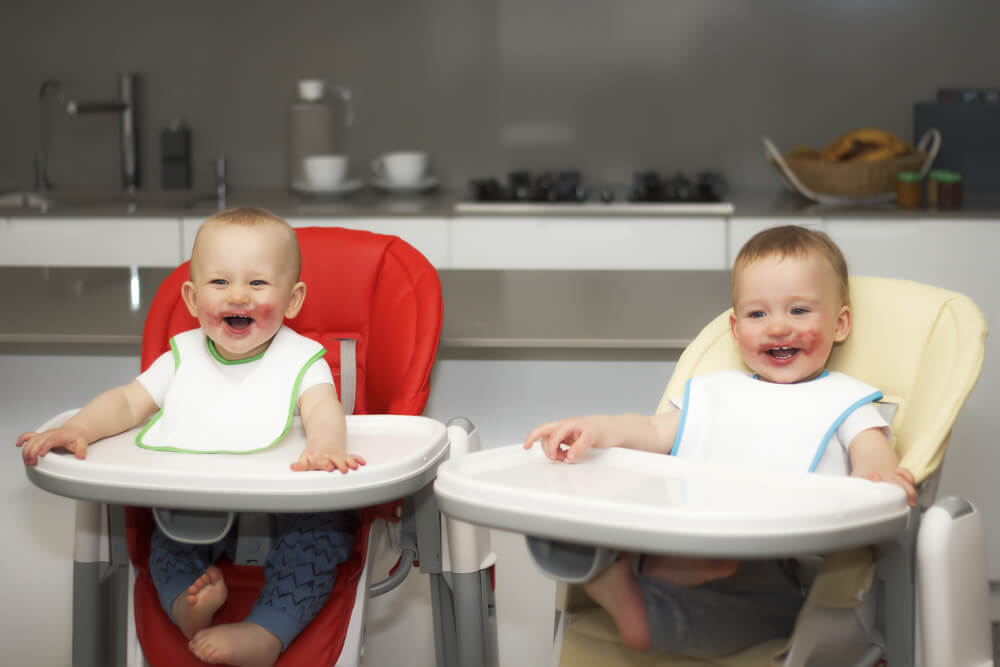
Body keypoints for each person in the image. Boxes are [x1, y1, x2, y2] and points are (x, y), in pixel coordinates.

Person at [523, 225, 917, 657]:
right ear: (734, 328)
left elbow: (872, 451)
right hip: (690, 538)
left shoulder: (845, 399)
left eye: (799, 310)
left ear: (840, 323)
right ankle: (614, 566)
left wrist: (878, 477)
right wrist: (597, 429)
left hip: (782, 567)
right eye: (758, 315)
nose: (778, 328)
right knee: (606, 495)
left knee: (778, 612)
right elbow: (653, 431)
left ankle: (641, 605)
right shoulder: (714, 392)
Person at [18, 207, 366, 667]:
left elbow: (323, 408)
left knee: (320, 538)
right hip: (200, 502)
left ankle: (268, 631)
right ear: (191, 296)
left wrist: (324, 447)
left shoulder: (302, 361)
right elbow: (126, 403)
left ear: (293, 299)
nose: (238, 295)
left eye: (258, 283)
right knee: (168, 541)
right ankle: (189, 605)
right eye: (220, 282)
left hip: (290, 502)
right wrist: (77, 428)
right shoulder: (181, 359)